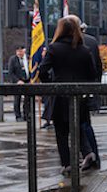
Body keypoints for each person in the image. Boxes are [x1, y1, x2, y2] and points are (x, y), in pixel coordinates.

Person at [39, 16, 97, 176]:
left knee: (61, 132)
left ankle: (67, 163)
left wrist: (51, 84)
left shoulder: (54, 48)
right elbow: (92, 73)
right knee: (78, 126)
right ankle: (87, 152)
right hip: (79, 96)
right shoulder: (84, 50)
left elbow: (42, 71)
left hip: (59, 96)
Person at [78, 20, 103, 169]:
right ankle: (93, 156)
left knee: (81, 124)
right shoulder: (92, 41)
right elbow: (98, 67)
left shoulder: (77, 42)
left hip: (78, 88)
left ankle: (89, 155)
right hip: (90, 87)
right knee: (86, 124)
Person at [7, 45, 30, 121]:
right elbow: (10, 72)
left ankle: (26, 115)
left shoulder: (28, 59)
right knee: (17, 99)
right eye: (18, 51)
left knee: (27, 99)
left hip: (27, 80)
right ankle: (18, 116)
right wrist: (17, 81)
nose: (20, 53)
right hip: (18, 81)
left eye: (21, 51)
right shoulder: (13, 59)